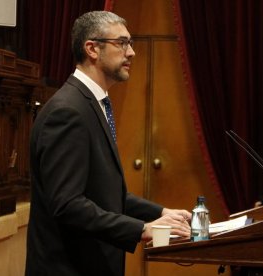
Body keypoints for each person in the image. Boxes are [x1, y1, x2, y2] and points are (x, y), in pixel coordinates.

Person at [25, 11, 191, 276]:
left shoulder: (93, 103)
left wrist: (161, 212)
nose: (131, 52)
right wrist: (142, 229)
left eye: (131, 43)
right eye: (122, 43)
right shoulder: (67, 111)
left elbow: (105, 195)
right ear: (92, 48)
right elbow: (68, 205)